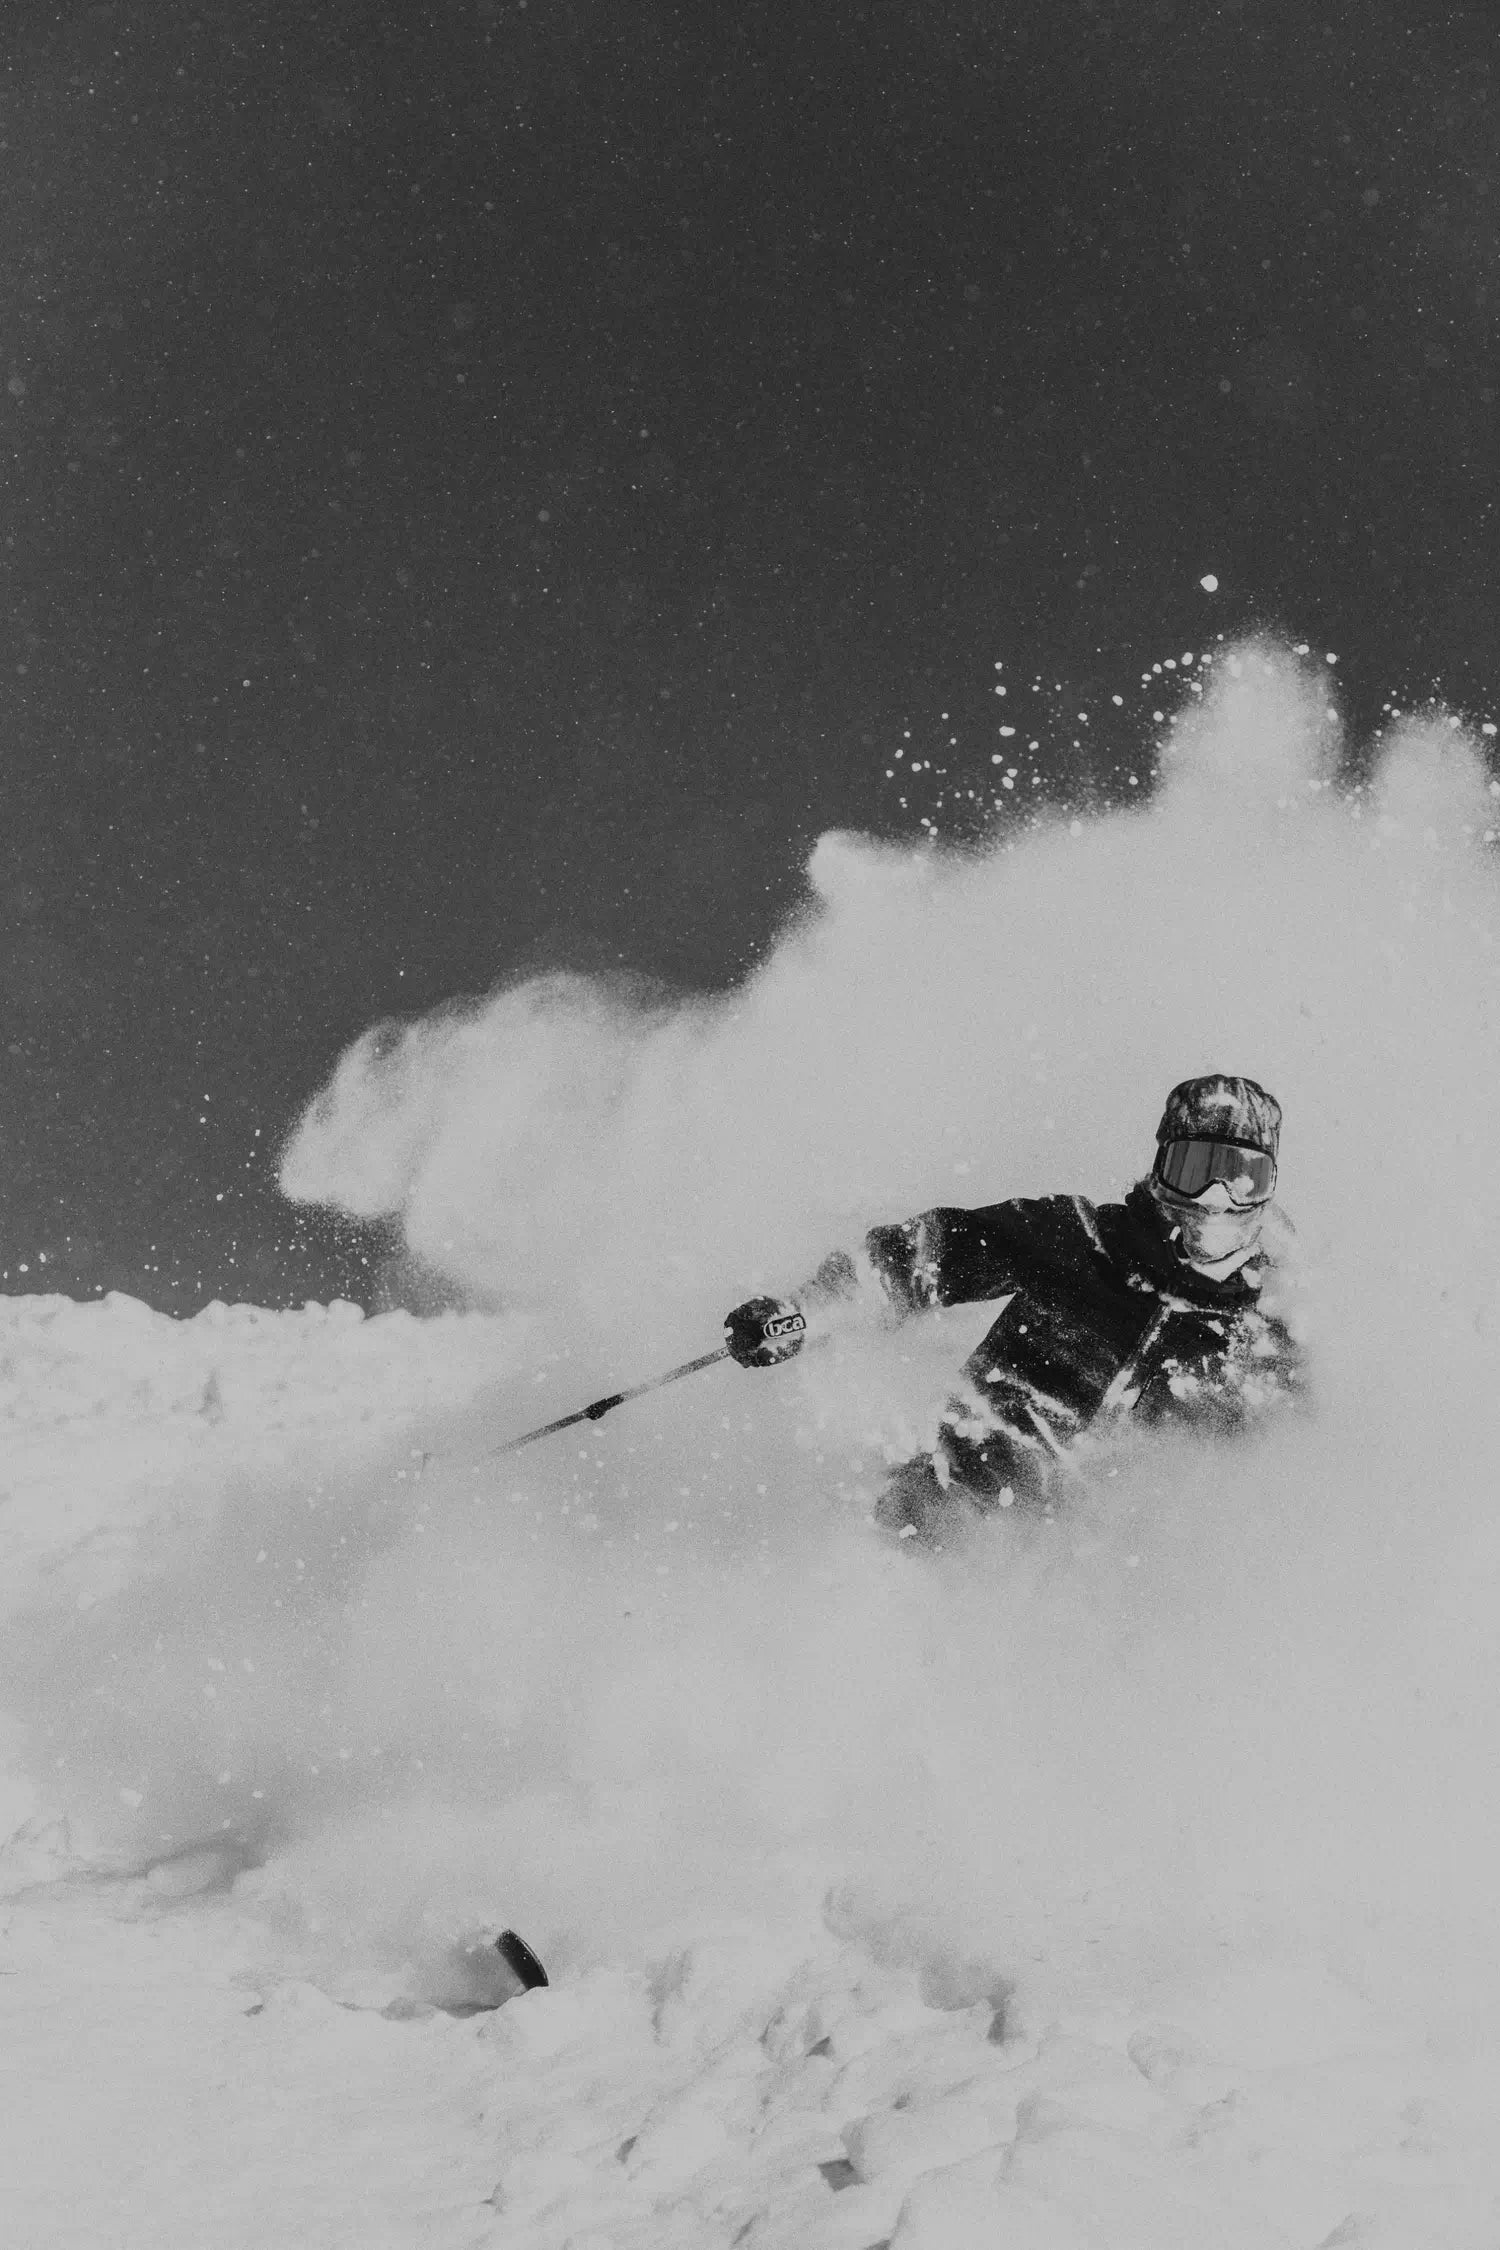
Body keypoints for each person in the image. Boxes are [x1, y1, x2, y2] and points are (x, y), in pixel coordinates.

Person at [723, 1074, 1304, 1543]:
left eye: (1242, 1179)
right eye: (1194, 1170)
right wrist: (805, 1312)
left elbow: (1270, 1491)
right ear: (1159, 1172)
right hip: (936, 1513)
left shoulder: (1257, 1340)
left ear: (1269, 1190)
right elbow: (928, 1256)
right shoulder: (1078, 1242)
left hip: (1068, 1588)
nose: (1214, 1200)